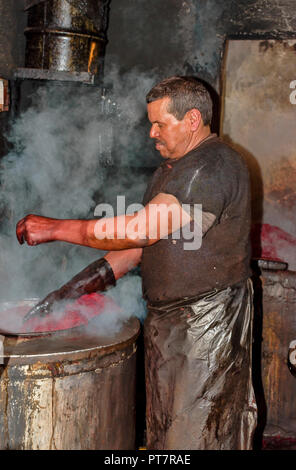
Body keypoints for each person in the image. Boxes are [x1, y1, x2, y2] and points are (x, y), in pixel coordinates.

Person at [16, 76, 257, 450]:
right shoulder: (171, 171)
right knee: (166, 431)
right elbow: (135, 250)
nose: (151, 132)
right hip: (171, 325)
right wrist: (67, 292)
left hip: (206, 328)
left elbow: (142, 230)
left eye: (160, 123)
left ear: (192, 120)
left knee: (198, 435)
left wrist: (54, 228)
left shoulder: (212, 164)